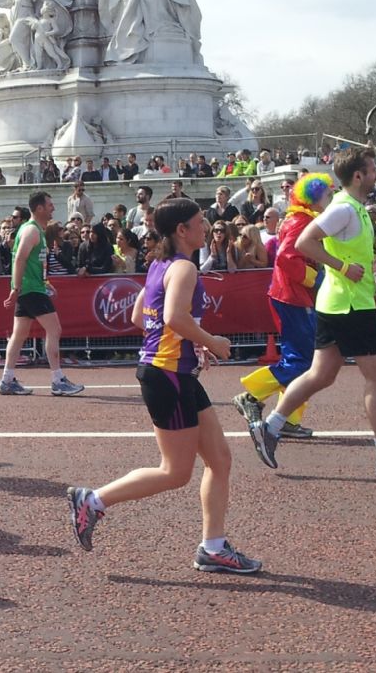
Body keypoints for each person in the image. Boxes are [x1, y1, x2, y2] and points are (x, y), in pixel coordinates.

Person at [65, 197, 261, 573]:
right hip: (167, 374)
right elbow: (172, 316)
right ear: (182, 230)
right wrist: (211, 341)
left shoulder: (160, 263)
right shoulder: (184, 267)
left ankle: (213, 547)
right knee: (175, 471)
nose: (206, 227)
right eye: (200, 222)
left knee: (219, 460)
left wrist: (191, 342)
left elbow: (142, 315)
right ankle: (93, 500)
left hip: (173, 371)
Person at [246, 148, 376, 477]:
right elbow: (305, 242)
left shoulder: (355, 209)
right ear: (358, 176)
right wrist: (344, 267)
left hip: (339, 303)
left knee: (322, 374)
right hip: (350, 305)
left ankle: (271, 427)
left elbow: (343, 243)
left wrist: (375, 246)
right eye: (372, 170)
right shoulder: (344, 208)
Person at [233, 174, 334, 440]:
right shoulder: (302, 222)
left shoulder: (299, 219)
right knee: (303, 361)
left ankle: (289, 418)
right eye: (328, 195)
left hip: (292, 296)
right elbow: (287, 259)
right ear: (315, 198)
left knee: (303, 359)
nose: (331, 199)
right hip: (292, 297)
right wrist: (315, 279)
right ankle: (252, 394)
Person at [0, 191, 85, 397]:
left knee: (19, 335)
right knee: (54, 330)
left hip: (31, 287)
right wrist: (16, 288)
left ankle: (7, 379)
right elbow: (19, 259)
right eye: (49, 205)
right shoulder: (32, 231)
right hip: (30, 290)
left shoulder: (34, 230)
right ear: (39, 208)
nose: (53, 208)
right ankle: (57, 380)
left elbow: (33, 263)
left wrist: (44, 282)